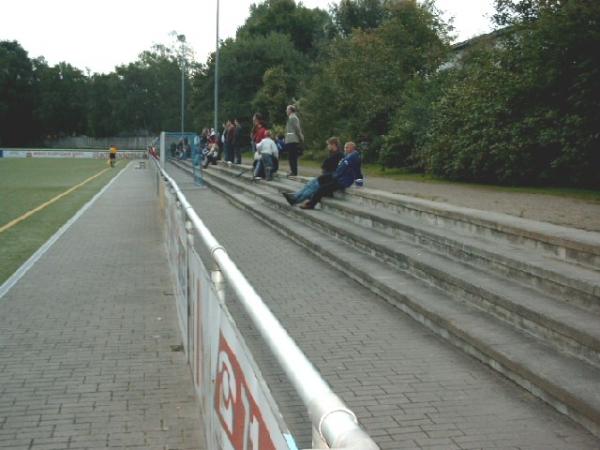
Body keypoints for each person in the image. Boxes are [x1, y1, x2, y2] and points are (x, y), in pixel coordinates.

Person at [299, 141, 362, 210]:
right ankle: (313, 196)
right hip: (337, 178)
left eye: (347, 148)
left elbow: (357, 171)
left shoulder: (354, 157)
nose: (345, 149)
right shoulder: (348, 156)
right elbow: (340, 169)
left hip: (342, 181)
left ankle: (310, 205)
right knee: (321, 179)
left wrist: (359, 183)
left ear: (352, 148)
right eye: (345, 147)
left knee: (322, 188)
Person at [282, 137, 343, 206]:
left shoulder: (339, 155)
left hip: (329, 179)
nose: (327, 146)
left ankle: (295, 200)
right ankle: (295, 196)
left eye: (329, 144)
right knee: (309, 184)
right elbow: (325, 165)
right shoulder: (332, 153)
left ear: (333, 145)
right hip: (325, 177)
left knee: (311, 188)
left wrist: (325, 166)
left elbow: (327, 165)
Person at [284, 105, 304, 176]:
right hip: (290, 139)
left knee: (292, 156)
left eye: (287, 110)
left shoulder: (294, 118)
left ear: (290, 110)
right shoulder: (291, 118)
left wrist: (301, 137)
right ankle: (292, 170)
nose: (286, 111)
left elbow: (297, 129)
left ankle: (294, 171)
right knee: (290, 156)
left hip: (293, 139)